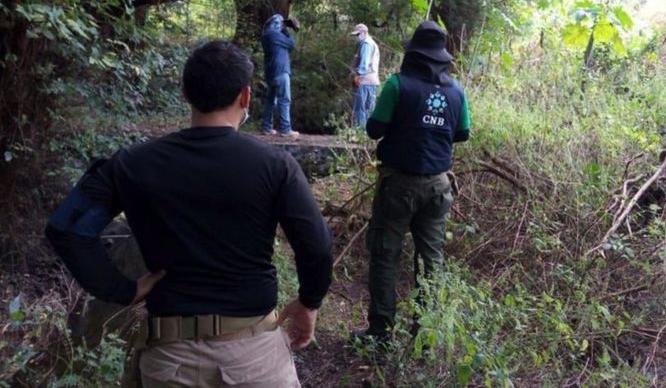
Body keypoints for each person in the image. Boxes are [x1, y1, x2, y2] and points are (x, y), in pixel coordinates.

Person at [45, 41, 333, 387]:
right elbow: (316, 246)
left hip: (170, 359)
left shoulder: (133, 164)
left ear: (185, 93)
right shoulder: (276, 166)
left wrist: (121, 289)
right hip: (255, 356)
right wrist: (308, 303)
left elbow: (68, 229)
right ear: (245, 97)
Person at [354, 21, 471, 341]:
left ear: (413, 54)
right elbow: (462, 133)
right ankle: (423, 337)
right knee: (431, 261)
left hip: (398, 187)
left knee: (385, 256)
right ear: (442, 57)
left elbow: (373, 129)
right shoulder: (457, 91)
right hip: (438, 187)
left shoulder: (397, 85)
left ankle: (380, 334)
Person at [261, 13, 300, 138]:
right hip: (281, 71)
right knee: (284, 100)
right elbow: (292, 44)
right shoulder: (276, 35)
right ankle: (285, 129)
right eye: (281, 23)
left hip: (270, 72)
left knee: (270, 101)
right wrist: (285, 30)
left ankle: (267, 128)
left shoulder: (266, 35)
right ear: (277, 24)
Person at [349, 23, 380, 128]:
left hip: (364, 80)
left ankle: (359, 133)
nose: (356, 37)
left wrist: (357, 75)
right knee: (370, 109)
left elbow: (364, 64)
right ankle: (368, 135)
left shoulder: (366, 44)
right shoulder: (372, 43)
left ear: (364, 33)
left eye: (358, 34)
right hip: (373, 80)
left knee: (360, 108)